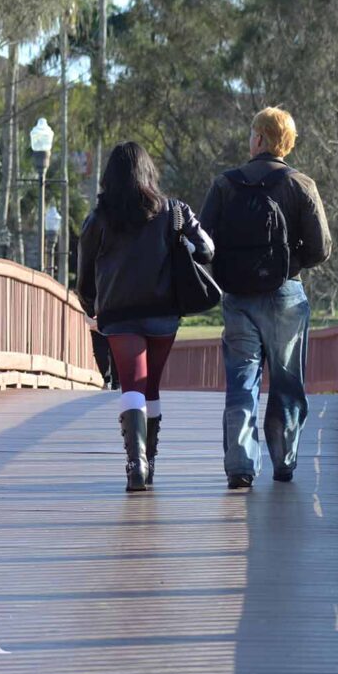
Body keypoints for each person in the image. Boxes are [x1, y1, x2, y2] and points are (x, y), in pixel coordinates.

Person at [199, 107, 331, 489]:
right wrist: (288, 263)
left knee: (242, 381)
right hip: (285, 297)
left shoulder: (225, 185)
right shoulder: (300, 184)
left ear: (258, 139)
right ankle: (284, 461)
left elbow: (204, 242)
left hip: (238, 298)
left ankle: (240, 465)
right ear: (286, 145)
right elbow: (322, 249)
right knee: (287, 382)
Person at [78, 141, 214, 491]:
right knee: (150, 386)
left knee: (132, 384)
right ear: (149, 173)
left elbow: (84, 275)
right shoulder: (173, 210)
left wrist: (91, 308)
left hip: (119, 315)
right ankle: (149, 461)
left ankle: (135, 463)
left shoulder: (99, 219)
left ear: (110, 177)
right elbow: (207, 249)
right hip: (163, 314)